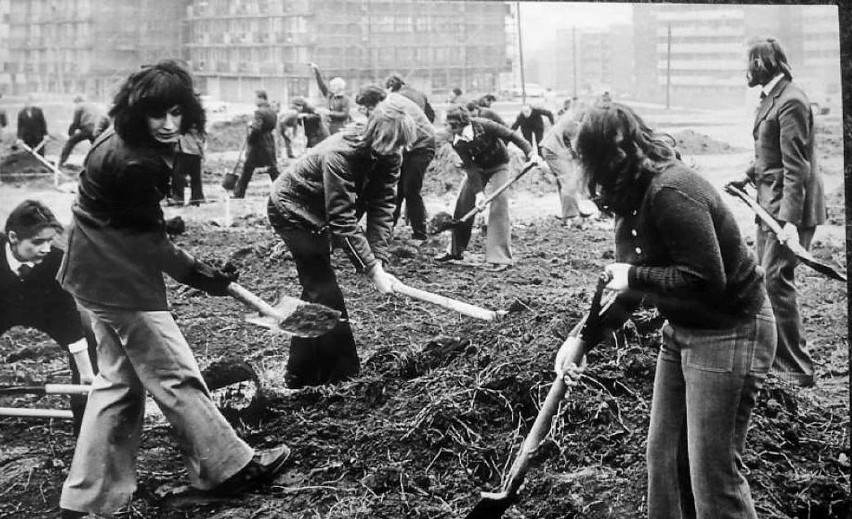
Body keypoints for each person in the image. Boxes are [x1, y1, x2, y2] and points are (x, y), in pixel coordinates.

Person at [56, 60, 290, 519]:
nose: (167, 125)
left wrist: (160, 224)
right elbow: (149, 244)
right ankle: (228, 467)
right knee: (176, 374)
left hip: (88, 270)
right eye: (157, 115)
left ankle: (86, 497)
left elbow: (127, 216)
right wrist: (202, 275)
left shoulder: (114, 137)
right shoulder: (138, 161)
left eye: (176, 113)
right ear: (137, 112)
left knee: (117, 385)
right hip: (118, 281)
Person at [555, 102, 776, 519]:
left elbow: (706, 279)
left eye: (591, 164)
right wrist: (580, 341)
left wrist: (635, 277)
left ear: (615, 156)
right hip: (682, 332)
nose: (591, 181)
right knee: (665, 463)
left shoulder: (673, 190)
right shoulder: (631, 197)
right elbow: (622, 287)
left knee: (712, 475)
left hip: (729, 331)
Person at [267, 100, 416, 389]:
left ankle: (299, 373)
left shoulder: (390, 155)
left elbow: (384, 205)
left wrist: (379, 260)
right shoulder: (339, 155)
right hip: (291, 209)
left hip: (321, 213)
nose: (397, 153)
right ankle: (343, 376)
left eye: (401, 146)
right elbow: (342, 219)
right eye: (392, 145)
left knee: (316, 290)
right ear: (375, 136)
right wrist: (371, 270)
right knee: (324, 290)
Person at [726, 37, 826, 388]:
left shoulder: (792, 100)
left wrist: (790, 223)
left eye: (748, 63)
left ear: (761, 64)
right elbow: (769, 153)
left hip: (789, 209)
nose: (745, 70)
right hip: (770, 203)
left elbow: (796, 166)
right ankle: (775, 360)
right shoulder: (772, 98)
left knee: (775, 281)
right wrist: (747, 176)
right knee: (763, 279)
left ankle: (795, 370)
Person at [1, 200, 97, 436]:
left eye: (49, 241)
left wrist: (86, 372)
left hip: (46, 309)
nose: (45, 248)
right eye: (37, 242)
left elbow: (66, 313)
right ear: (13, 237)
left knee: (90, 333)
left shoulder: (56, 258)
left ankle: (86, 424)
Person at [436, 105, 541, 269]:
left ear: (458, 124)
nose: (446, 128)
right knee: (463, 204)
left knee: (499, 205)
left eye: (449, 125)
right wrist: (478, 194)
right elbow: (470, 168)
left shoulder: (485, 125)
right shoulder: (457, 142)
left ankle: (500, 258)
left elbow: (513, 136)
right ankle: (455, 250)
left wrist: (532, 153)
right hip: (478, 169)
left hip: (500, 165)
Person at [355, 85, 436, 242]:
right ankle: (387, 230)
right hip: (408, 145)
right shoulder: (389, 102)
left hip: (421, 146)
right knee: (396, 189)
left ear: (374, 102)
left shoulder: (388, 108)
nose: (367, 111)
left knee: (410, 189)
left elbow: (380, 132)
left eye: (367, 107)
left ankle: (420, 234)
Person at [540, 109, 596, 220]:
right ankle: (571, 215)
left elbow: (568, 140)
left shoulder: (575, 118)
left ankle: (571, 210)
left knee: (567, 179)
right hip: (553, 149)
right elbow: (570, 138)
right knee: (568, 180)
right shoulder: (573, 121)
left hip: (557, 148)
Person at [232, 89, 279, 199]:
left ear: (261, 98)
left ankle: (239, 193)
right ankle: (282, 191)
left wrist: (251, 139)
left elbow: (257, 129)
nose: (254, 100)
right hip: (269, 142)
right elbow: (271, 126)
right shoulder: (272, 111)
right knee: (273, 169)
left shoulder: (258, 112)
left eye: (255, 98)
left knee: (247, 169)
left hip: (258, 144)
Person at [58, 94, 104, 167]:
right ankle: (100, 163)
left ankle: (61, 162)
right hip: (97, 128)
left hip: (87, 128)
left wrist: (70, 133)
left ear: (77, 101)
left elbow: (76, 122)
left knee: (71, 141)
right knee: (97, 145)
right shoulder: (93, 105)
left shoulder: (79, 106)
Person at [308, 62, 352, 134]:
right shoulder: (329, 95)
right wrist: (317, 71)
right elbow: (321, 85)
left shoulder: (345, 99)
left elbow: (345, 114)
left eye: (333, 86)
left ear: (340, 87)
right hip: (327, 125)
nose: (331, 87)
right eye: (331, 86)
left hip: (339, 127)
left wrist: (329, 113)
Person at [170, 127, 206, 206]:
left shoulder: (186, 127)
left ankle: (179, 198)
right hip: (195, 154)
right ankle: (196, 198)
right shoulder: (198, 127)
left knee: (179, 175)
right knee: (195, 177)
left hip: (186, 153)